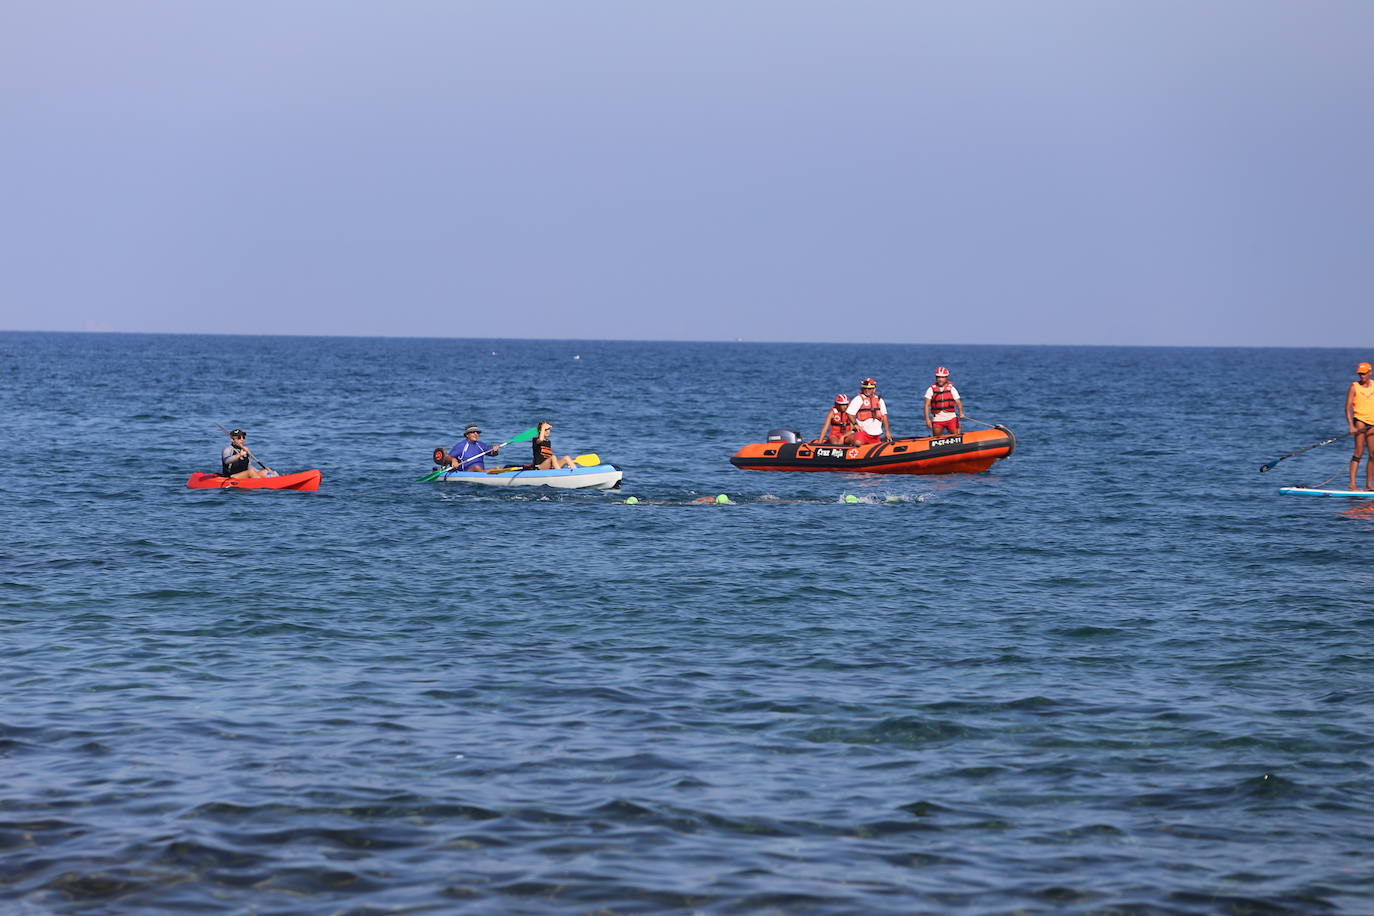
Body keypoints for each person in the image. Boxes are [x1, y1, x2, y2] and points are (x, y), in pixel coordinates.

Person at [1348, 362, 1374, 490]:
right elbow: (1347, 408)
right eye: (1360, 374)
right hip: (1360, 420)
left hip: (1372, 422)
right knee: (1358, 452)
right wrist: (1351, 426)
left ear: (1370, 373)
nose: (1362, 376)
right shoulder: (1354, 387)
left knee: (1373, 454)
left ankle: (1369, 485)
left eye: (1364, 373)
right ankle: (1352, 484)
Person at [846, 377, 891, 444]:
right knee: (858, 443)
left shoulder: (879, 400)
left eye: (869, 389)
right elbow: (849, 413)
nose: (867, 390)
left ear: (874, 389)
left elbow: (884, 416)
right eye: (865, 388)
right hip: (863, 433)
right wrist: (855, 424)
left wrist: (887, 432)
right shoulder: (858, 399)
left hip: (876, 435)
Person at [923, 366, 964, 436]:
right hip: (938, 419)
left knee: (957, 435)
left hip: (951, 418)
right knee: (936, 438)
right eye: (938, 377)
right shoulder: (931, 389)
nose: (940, 379)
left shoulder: (952, 389)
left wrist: (961, 413)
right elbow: (926, 405)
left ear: (946, 378)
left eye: (942, 377)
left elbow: (958, 402)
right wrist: (927, 419)